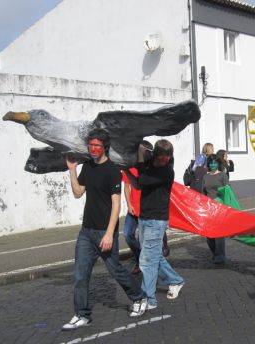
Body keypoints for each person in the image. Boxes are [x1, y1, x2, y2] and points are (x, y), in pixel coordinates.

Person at [62, 129, 147, 331]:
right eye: (90, 145)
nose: (92, 149)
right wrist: (72, 170)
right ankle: (82, 314)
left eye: (96, 146)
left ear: (104, 147)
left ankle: (139, 297)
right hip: (86, 232)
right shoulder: (88, 167)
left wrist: (110, 233)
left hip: (103, 232)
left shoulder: (112, 170)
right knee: (80, 275)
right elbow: (78, 192)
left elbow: (116, 204)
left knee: (115, 269)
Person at [124, 139, 184, 310]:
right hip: (145, 218)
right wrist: (126, 170)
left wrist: (141, 158)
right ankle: (175, 280)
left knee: (146, 261)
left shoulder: (166, 172)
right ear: (156, 155)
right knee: (153, 255)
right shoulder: (150, 165)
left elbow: (142, 180)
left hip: (156, 220)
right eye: (161, 158)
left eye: (167, 158)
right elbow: (136, 184)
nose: (164, 161)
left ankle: (148, 299)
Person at [122, 141, 169, 275]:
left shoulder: (152, 168)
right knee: (127, 235)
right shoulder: (131, 166)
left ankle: (156, 269)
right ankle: (140, 258)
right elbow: (128, 187)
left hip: (150, 210)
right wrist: (129, 204)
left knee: (153, 244)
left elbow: (142, 181)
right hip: (134, 208)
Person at [202, 154, 230, 264]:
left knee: (218, 233)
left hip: (219, 207)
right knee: (208, 234)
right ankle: (215, 253)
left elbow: (227, 191)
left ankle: (220, 256)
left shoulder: (223, 175)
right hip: (208, 207)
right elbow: (203, 193)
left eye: (215, 162)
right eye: (211, 163)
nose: (213, 164)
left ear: (218, 163)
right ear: (208, 164)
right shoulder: (205, 176)